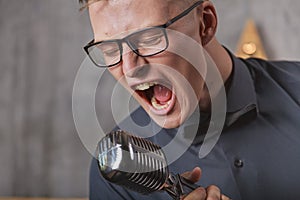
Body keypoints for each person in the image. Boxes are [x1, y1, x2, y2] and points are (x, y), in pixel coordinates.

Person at [79, 0, 300, 199]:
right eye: (108, 49)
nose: (128, 70)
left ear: (205, 23)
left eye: (149, 37)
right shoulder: (118, 169)